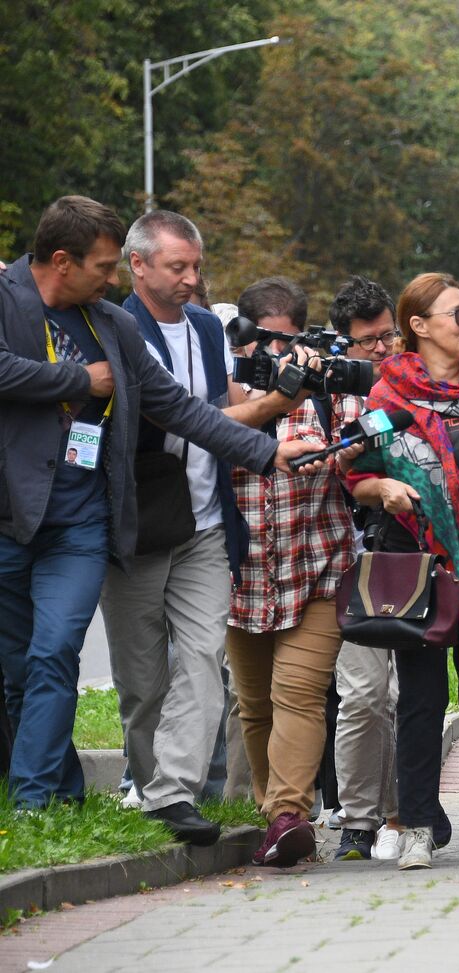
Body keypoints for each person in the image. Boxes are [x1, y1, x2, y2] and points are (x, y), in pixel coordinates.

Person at [0, 196, 315, 812]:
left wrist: (263, 449)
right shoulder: (6, 300)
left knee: (56, 651)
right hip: (11, 515)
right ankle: (62, 788)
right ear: (61, 262)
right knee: (23, 671)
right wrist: (78, 381)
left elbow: (179, 408)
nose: (112, 281)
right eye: (104, 267)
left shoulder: (110, 325)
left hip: (85, 520)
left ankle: (43, 803)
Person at [102, 211, 306, 845]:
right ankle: (147, 783)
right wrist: (267, 432)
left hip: (208, 523)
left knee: (200, 659)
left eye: (196, 266)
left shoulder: (206, 327)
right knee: (142, 680)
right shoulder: (113, 328)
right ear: (138, 265)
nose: (192, 279)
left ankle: (174, 794)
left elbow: (214, 411)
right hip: (138, 523)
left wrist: (269, 419)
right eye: (177, 267)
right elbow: (171, 415)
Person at [348, 272, 459, 870]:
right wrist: (385, 487)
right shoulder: (387, 394)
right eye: (457, 314)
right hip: (418, 561)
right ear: (419, 327)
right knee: (421, 696)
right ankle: (420, 823)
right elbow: (357, 479)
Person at [224, 276, 365, 868]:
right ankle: (272, 817)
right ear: (245, 340)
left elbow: (367, 428)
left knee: (299, 696)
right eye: (267, 343)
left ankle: (289, 815)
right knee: (254, 705)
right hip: (243, 579)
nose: (279, 356)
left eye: (290, 343)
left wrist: (360, 448)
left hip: (318, 569)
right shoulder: (219, 390)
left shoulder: (327, 388)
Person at [325, 275, 404, 862]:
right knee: (363, 694)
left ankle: (408, 812)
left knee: (409, 694)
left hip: (405, 552)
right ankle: (357, 819)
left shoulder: (415, 384)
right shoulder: (324, 392)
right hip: (345, 560)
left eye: (389, 336)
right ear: (342, 343)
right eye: (368, 342)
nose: (382, 350)